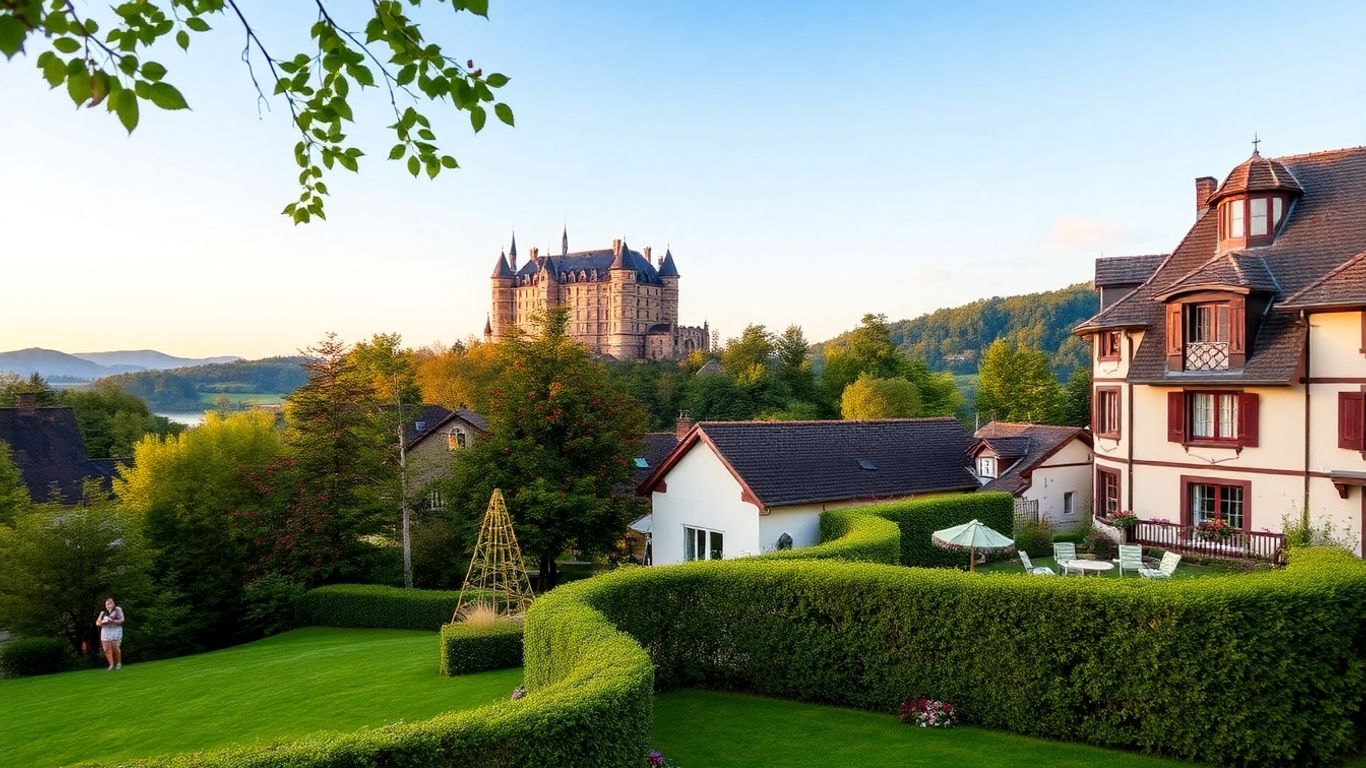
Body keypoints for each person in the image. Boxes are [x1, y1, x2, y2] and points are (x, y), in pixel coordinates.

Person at [96, 596, 125, 671]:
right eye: (107, 603)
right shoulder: (103, 612)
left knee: (115, 647)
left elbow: (122, 620)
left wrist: (112, 621)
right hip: (105, 631)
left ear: (113, 603)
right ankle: (111, 664)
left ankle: (118, 663)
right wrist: (101, 620)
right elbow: (97, 622)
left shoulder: (117, 609)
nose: (108, 604)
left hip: (115, 630)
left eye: (110, 603)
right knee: (106, 649)